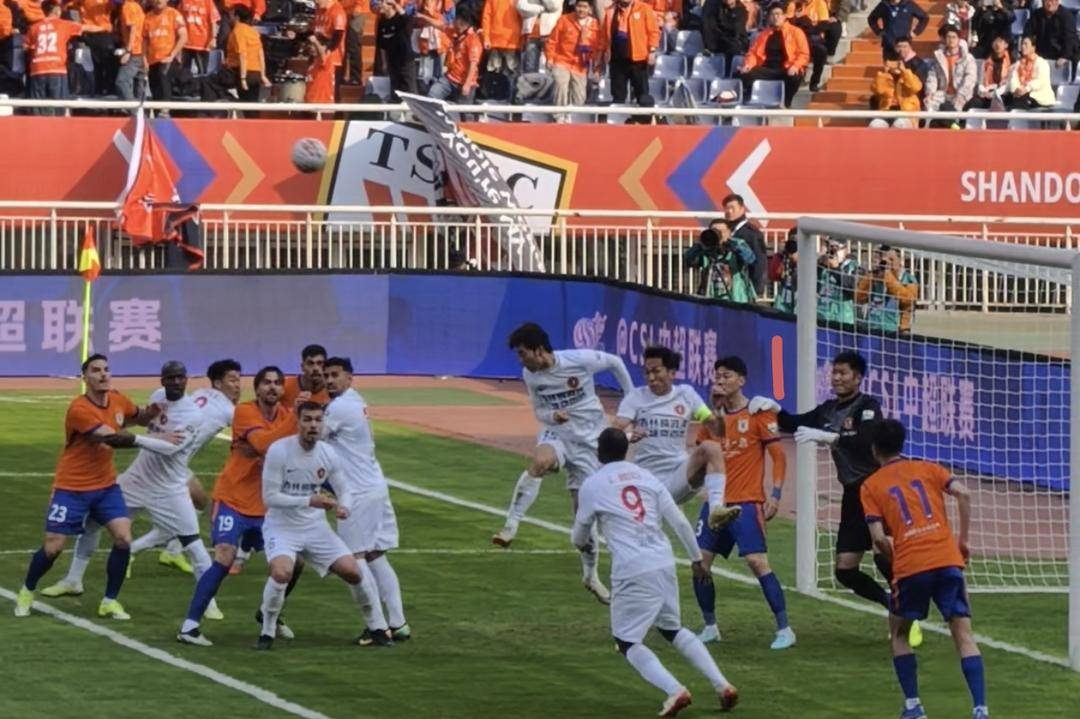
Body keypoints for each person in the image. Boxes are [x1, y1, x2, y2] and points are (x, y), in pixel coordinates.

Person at [749, 350, 925, 645]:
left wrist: (829, 437)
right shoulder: (828, 410)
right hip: (853, 494)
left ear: (858, 377)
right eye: (834, 372)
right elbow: (793, 423)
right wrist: (774, 408)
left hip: (877, 489)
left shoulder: (868, 407)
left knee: (883, 554)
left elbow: (866, 440)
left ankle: (910, 609)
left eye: (843, 373)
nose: (837, 378)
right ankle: (892, 604)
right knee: (845, 569)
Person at [39, 362, 225, 622]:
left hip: (170, 488)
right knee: (91, 524)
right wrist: (126, 425)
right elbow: (141, 420)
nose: (175, 382)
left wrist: (133, 439)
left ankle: (208, 602)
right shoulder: (158, 397)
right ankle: (73, 580)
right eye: (170, 377)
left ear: (187, 380)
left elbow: (171, 448)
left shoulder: (193, 414)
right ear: (162, 380)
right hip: (137, 479)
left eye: (180, 377)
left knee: (192, 544)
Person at [572, 428, 739, 716]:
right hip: (663, 560)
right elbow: (679, 522)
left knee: (626, 641)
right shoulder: (645, 476)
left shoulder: (593, 484)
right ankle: (722, 685)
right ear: (625, 450)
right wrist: (696, 559)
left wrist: (583, 547)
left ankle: (675, 691)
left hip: (632, 567)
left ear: (599, 452)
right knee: (672, 628)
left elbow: (579, 536)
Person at [13, 355, 180, 619]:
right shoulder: (79, 409)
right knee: (53, 547)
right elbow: (112, 438)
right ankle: (27, 590)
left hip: (105, 486)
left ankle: (109, 601)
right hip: (71, 487)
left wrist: (154, 410)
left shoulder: (117, 399)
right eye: (96, 370)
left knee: (123, 538)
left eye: (106, 369)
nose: (103, 374)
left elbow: (136, 416)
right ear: (85, 377)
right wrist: (159, 439)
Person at [491, 322, 635, 606]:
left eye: (522, 353)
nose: (520, 360)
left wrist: (630, 402)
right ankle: (510, 526)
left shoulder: (578, 360)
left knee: (584, 518)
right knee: (540, 461)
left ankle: (590, 576)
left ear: (539, 350)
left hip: (589, 444)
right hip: (557, 435)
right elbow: (540, 411)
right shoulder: (530, 375)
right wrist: (552, 417)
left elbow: (615, 362)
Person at [861, 419, 987, 719]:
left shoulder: (870, 485)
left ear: (874, 449)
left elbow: (878, 539)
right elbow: (964, 493)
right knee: (963, 634)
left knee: (899, 634)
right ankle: (980, 709)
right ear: (902, 443)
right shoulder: (928, 468)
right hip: (947, 560)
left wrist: (898, 557)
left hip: (911, 567)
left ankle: (914, 706)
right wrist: (963, 540)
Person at [176, 366, 298, 646]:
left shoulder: (285, 416)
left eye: (277, 383)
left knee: (293, 563)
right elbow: (264, 444)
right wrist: (290, 427)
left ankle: (269, 614)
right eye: (266, 383)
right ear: (257, 389)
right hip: (233, 499)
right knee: (224, 556)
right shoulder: (245, 412)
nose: (272, 387)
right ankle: (190, 626)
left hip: (268, 507)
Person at [255, 402, 389, 650]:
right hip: (282, 527)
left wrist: (345, 506)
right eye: (307, 419)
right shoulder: (279, 451)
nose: (313, 425)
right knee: (282, 572)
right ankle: (267, 633)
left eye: (318, 420)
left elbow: (344, 489)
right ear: (298, 422)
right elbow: (269, 498)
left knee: (353, 571)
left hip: (315, 529)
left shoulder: (328, 453)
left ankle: (377, 628)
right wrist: (310, 500)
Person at [693, 357, 792, 649]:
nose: (720, 380)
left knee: (756, 561)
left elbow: (779, 456)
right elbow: (701, 455)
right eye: (717, 376)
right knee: (699, 564)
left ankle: (785, 629)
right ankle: (710, 626)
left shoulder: (759, 414)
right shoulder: (710, 420)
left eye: (726, 375)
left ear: (741, 380)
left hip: (747, 502)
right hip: (715, 504)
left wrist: (775, 494)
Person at [323, 356, 408, 645]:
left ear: (349, 377)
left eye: (335, 374)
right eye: (327, 375)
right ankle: (398, 623)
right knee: (375, 555)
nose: (330, 380)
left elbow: (312, 436)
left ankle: (378, 627)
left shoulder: (339, 407)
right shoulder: (355, 400)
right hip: (375, 486)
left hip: (357, 493)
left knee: (354, 560)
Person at [611, 346, 735, 524]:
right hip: (647, 481)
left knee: (711, 447)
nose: (651, 378)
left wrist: (719, 413)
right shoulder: (636, 398)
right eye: (647, 372)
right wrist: (629, 435)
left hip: (680, 475)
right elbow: (614, 432)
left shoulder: (686, 395)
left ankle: (716, 509)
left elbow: (717, 431)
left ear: (671, 373)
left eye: (656, 371)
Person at [737, 3, 808, 108]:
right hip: (767, 69)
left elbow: (804, 54)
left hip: (785, 69)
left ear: (784, 16)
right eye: (772, 14)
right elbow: (753, 53)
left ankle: (786, 102)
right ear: (769, 18)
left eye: (778, 14)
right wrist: (748, 65)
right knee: (744, 73)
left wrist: (795, 66)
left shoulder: (796, 32)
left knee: (795, 77)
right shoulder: (763, 34)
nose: (776, 17)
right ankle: (752, 100)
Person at [25, 0, 85, 114]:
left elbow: (26, 46)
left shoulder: (34, 27)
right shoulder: (64, 24)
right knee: (59, 106)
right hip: (56, 68)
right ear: (56, 11)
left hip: (37, 69)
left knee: (38, 107)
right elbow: (82, 28)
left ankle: (38, 124)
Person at [545, 0, 600, 120]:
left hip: (581, 65)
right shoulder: (564, 20)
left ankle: (573, 118)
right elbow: (552, 41)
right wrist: (550, 58)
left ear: (590, 9)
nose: (581, 9)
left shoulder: (595, 25)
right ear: (575, 6)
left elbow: (597, 49)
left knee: (579, 97)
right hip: (562, 60)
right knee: (561, 85)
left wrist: (596, 69)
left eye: (585, 7)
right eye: (579, 6)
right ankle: (559, 116)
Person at [599, 0, 660, 105]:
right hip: (617, 59)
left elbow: (653, 32)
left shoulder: (644, 8)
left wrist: (652, 50)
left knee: (642, 95)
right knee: (618, 96)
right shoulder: (610, 11)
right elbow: (604, 35)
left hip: (638, 59)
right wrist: (602, 53)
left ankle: (643, 116)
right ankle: (618, 115)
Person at [683, 220, 757, 303]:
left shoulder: (737, 244)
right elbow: (689, 260)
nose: (718, 234)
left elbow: (750, 259)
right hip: (712, 299)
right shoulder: (706, 249)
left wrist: (732, 245)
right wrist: (700, 244)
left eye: (721, 231)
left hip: (737, 299)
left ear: (729, 232)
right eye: (714, 231)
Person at [854, 244, 918, 335]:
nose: (887, 263)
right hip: (871, 328)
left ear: (900, 259)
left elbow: (908, 302)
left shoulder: (908, 279)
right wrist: (871, 276)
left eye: (891, 259)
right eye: (883, 260)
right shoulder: (874, 276)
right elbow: (858, 298)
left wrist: (888, 278)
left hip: (894, 331)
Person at [428, 5, 483, 102]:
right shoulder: (456, 32)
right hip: (450, 78)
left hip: (465, 83)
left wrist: (467, 84)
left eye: (455, 19)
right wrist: (423, 17)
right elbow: (441, 26)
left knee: (463, 110)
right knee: (433, 95)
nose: (453, 22)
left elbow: (473, 63)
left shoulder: (473, 40)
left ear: (461, 21)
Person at [785, 0, 841, 92]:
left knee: (822, 51)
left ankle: (814, 83)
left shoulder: (819, 3)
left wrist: (809, 28)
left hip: (812, 37)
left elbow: (824, 24)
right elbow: (788, 23)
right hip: (796, 38)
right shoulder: (793, 4)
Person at [923, 24, 977, 115]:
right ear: (945, 39)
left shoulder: (968, 58)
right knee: (928, 103)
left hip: (961, 94)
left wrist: (961, 95)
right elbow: (932, 77)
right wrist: (930, 93)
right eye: (948, 37)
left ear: (958, 39)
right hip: (943, 93)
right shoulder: (939, 57)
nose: (951, 40)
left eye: (954, 37)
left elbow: (970, 78)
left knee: (955, 108)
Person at [723, 194, 767, 295]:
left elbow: (760, 261)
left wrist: (756, 289)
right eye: (726, 208)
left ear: (742, 209)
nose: (729, 211)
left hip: (744, 287)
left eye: (732, 208)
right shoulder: (727, 231)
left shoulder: (752, 233)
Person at [145, 0, 188, 104]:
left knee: (164, 81)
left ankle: (165, 110)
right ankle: (157, 112)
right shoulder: (147, 17)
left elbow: (184, 36)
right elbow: (145, 40)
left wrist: (172, 55)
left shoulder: (174, 14)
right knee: (154, 89)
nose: (158, 1)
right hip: (152, 60)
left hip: (167, 59)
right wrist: (144, 60)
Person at [71, 0, 117, 95]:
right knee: (94, 67)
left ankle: (105, 91)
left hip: (101, 33)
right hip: (89, 34)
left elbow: (116, 4)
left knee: (107, 65)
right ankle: (97, 91)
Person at [374, 0, 417, 100]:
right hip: (392, 61)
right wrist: (384, 63)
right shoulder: (381, 22)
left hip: (405, 61)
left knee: (410, 90)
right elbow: (381, 45)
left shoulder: (400, 19)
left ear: (390, 5)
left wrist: (395, 4)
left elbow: (406, 18)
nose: (379, 5)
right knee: (395, 91)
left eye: (382, 2)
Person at [817, 237, 862, 326]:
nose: (833, 252)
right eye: (830, 247)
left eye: (836, 248)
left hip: (842, 319)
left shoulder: (853, 266)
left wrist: (835, 269)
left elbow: (852, 288)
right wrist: (818, 265)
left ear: (845, 250)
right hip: (822, 316)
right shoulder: (823, 264)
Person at [1023, 0, 1077, 73]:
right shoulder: (1037, 14)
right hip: (1042, 55)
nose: (1049, 3)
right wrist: (1027, 39)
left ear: (1057, 1)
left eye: (1052, 0)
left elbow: (1070, 39)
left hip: (1060, 56)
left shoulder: (1067, 16)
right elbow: (1028, 31)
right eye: (1046, 1)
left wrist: (1064, 56)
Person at [1005, 34, 1056, 109]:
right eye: (1022, 44)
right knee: (1005, 99)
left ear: (1033, 47)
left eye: (1026, 44)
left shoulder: (1041, 62)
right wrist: (1016, 89)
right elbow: (1013, 78)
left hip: (1038, 97)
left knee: (1018, 102)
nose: (1023, 46)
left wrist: (1026, 88)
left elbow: (1040, 81)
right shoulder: (1018, 63)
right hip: (1021, 94)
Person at [965, 34, 1011, 109]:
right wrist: (984, 91)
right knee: (972, 104)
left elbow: (1008, 85)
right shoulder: (985, 62)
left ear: (1006, 45)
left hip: (1002, 94)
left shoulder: (1011, 63)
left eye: (1000, 41)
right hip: (986, 93)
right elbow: (980, 82)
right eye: (995, 41)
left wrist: (995, 93)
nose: (997, 44)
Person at [313, 0, 348, 99]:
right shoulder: (319, 10)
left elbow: (338, 35)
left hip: (333, 58)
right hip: (318, 55)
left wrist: (327, 50)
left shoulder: (337, 12)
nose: (315, 3)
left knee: (333, 89)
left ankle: (336, 108)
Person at [701, 0, 749, 70]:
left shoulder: (740, 9)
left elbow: (738, 30)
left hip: (735, 43)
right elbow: (709, 27)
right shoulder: (712, 5)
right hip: (717, 42)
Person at [518, 0, 561, 74]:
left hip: (550, 33)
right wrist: (541, 8)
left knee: (550, 68)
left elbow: (554, 5)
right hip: (531, 34)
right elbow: (521, 7)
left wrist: (533, 6)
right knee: (529, 68)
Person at [116, 0, 147, 101]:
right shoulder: (137, 7)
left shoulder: (128, 6)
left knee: (122, 81)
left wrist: (128, 51)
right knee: (139, 84)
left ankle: (133, 107)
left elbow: (133, 29)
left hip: (134, 51)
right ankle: (141, 108)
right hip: (142, 50)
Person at [282, 343, 331, 407]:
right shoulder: (284, 386)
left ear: (327, 367)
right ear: (302, 367)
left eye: (320, 363)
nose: (315, 368)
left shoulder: (333, 390)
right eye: (310, 363)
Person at [482, 0, 523, 76]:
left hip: (496, 40)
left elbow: (486, 17)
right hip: (512, 41)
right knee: (512, 75)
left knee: (494, 74)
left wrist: (486, 38)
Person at [180, 0, 220, 75]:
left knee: (202, 73)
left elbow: (213, 21)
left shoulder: (208, 2)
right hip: (186, 43)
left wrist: (214, 38)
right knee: (184, 73)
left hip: (202, 44)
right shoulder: (184, 1)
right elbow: (179, 19)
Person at [768, 233, 798, 313]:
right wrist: (780, 260)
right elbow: (773, 275)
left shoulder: (808, 260)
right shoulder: (781, 258)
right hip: (784, 296)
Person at [305, 32, 336, 103]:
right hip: (311, 102)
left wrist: (315, 42)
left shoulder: (328, 59)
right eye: (311, 46)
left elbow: (322, 55)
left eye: (314, 46)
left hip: (323, 103)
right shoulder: (312, 63)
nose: (312, 48)